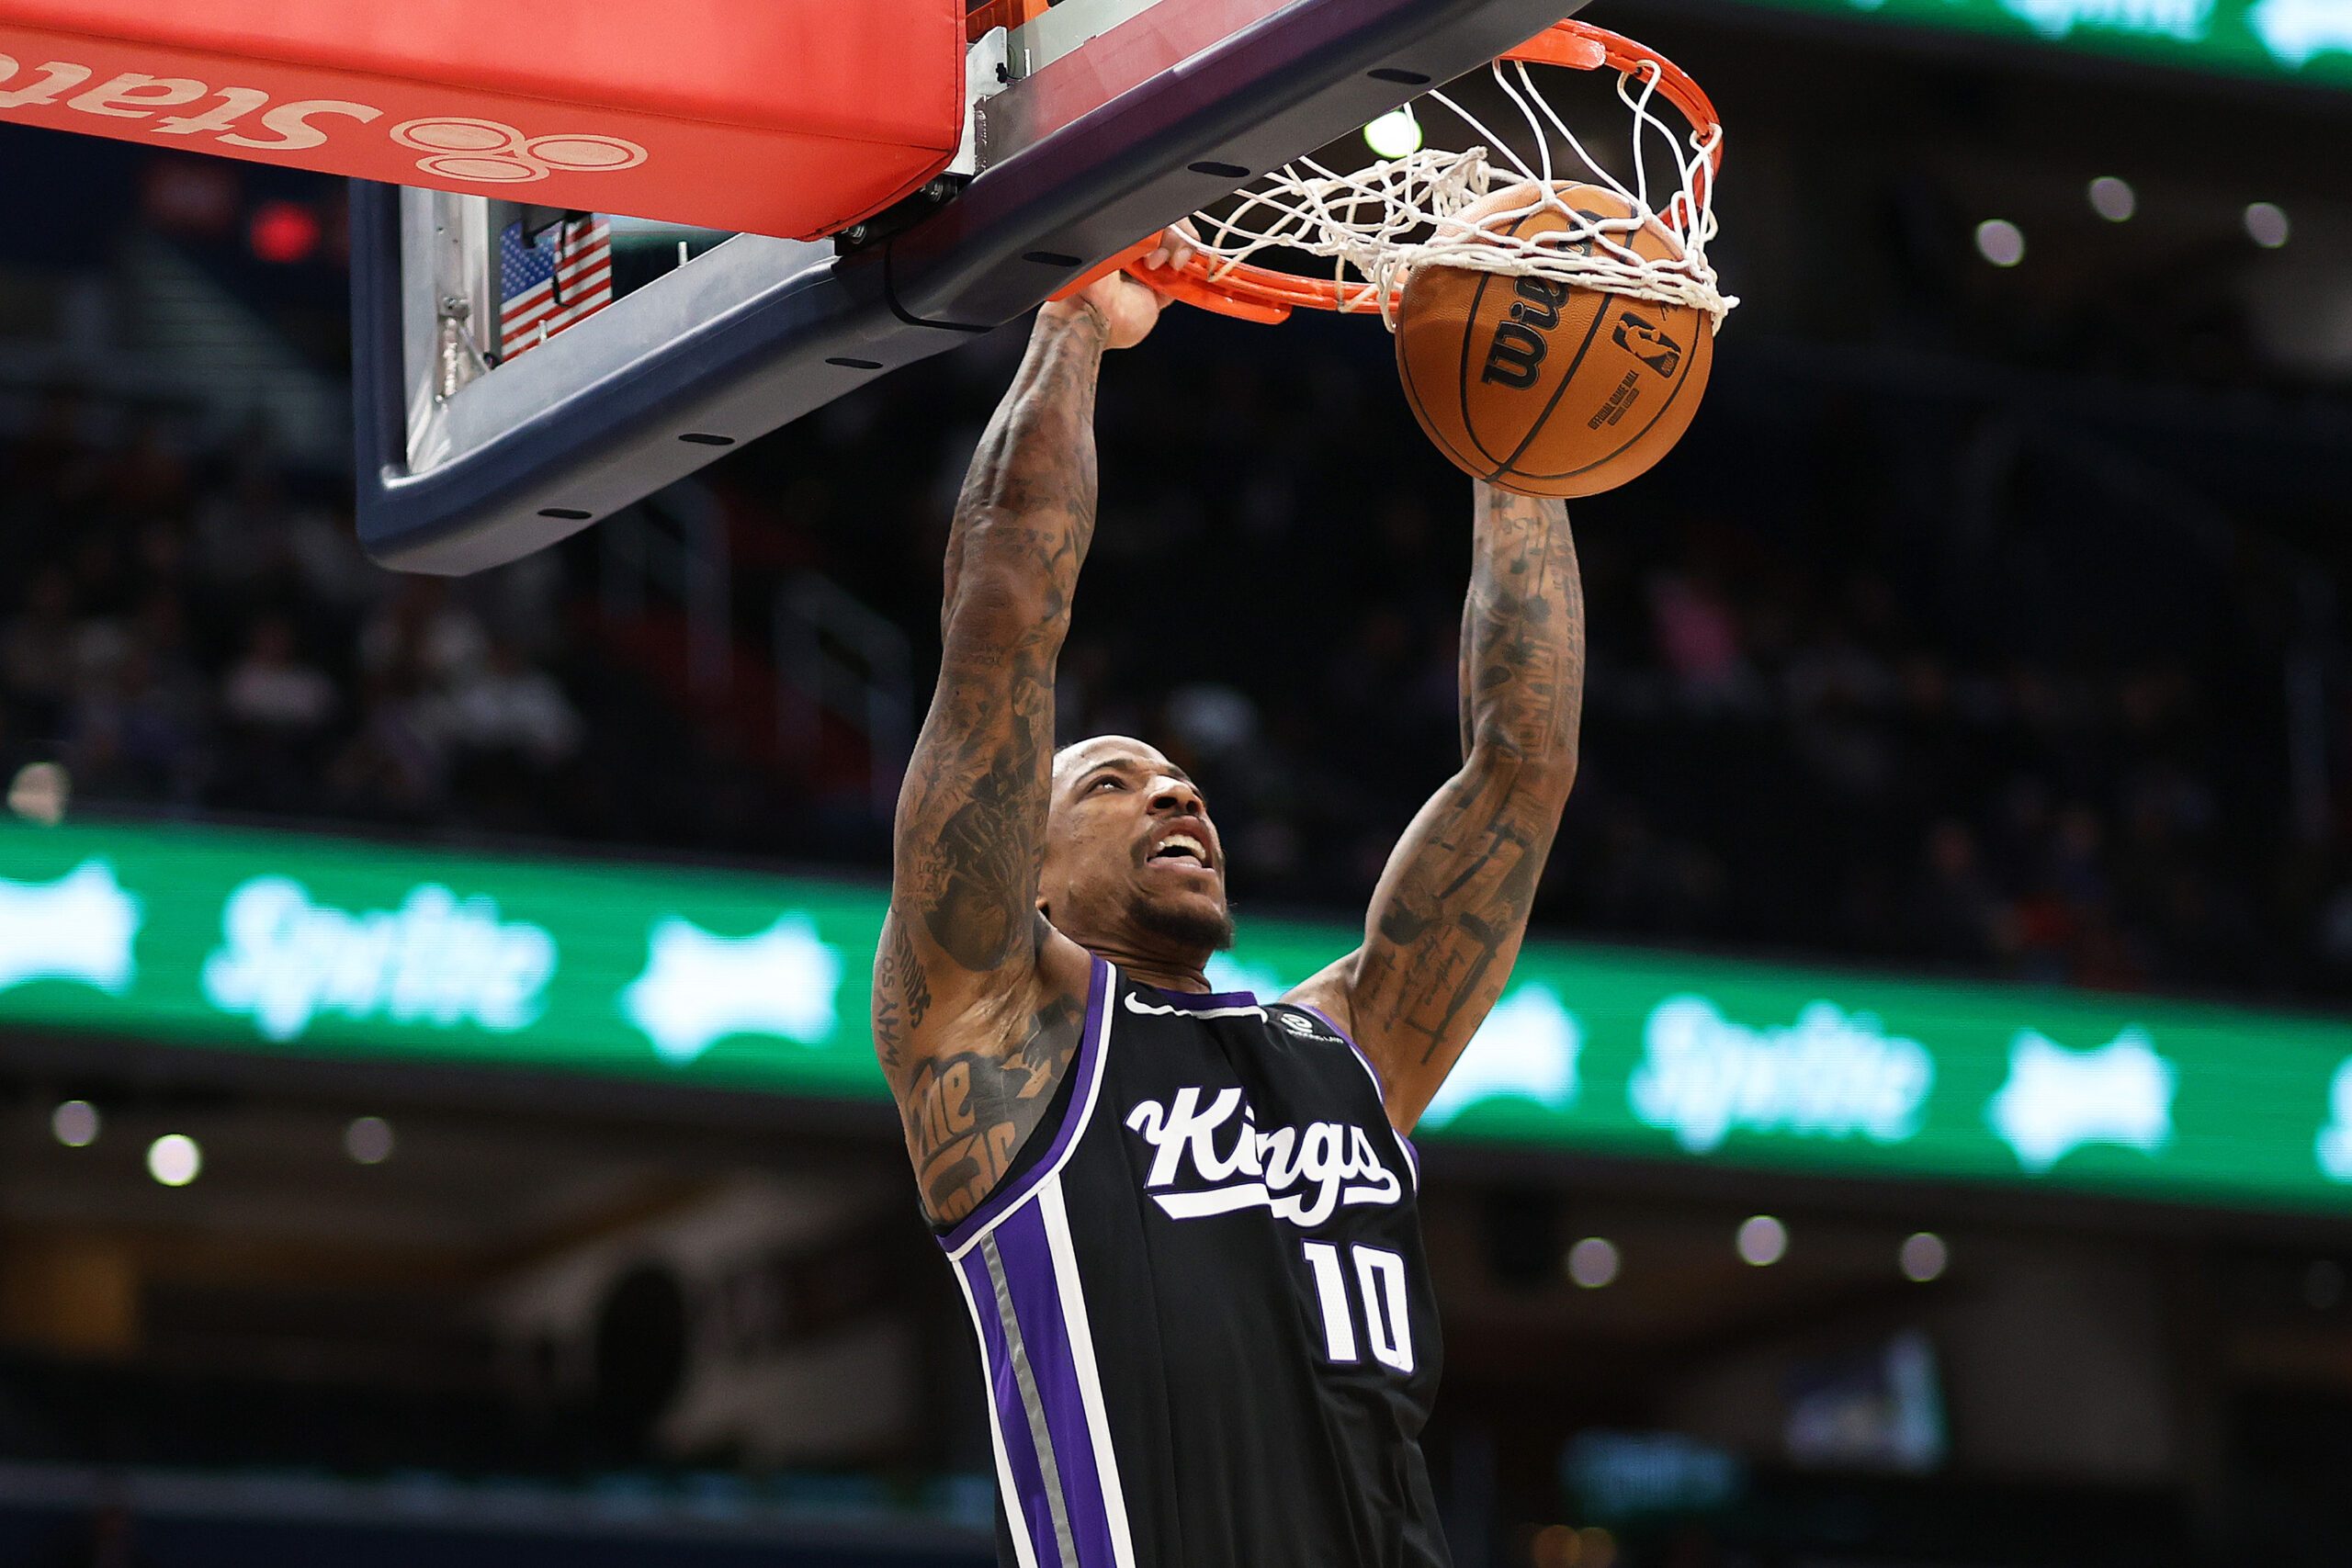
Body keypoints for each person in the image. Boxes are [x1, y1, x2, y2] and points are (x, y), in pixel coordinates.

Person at [871, 239, 1585, 1568]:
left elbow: (1521, 769)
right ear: (1017, 862)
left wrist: (1517, 454)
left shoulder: (1344, 1050)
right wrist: (1076, 322)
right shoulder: (1000, 1034)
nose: (1174, 799)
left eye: (1188, 788)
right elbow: (1000, 626)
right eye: (1115, 784)